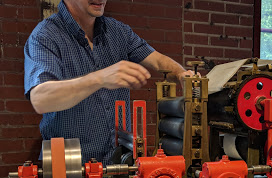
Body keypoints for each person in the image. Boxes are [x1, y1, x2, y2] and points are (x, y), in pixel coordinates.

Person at [24, 0, 194, 165]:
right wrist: (100, 78)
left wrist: (181, 74)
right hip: (70, 169)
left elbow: (157, 61)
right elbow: (41, 99)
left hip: (119, 165)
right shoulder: (45, 35)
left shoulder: (118, 31)